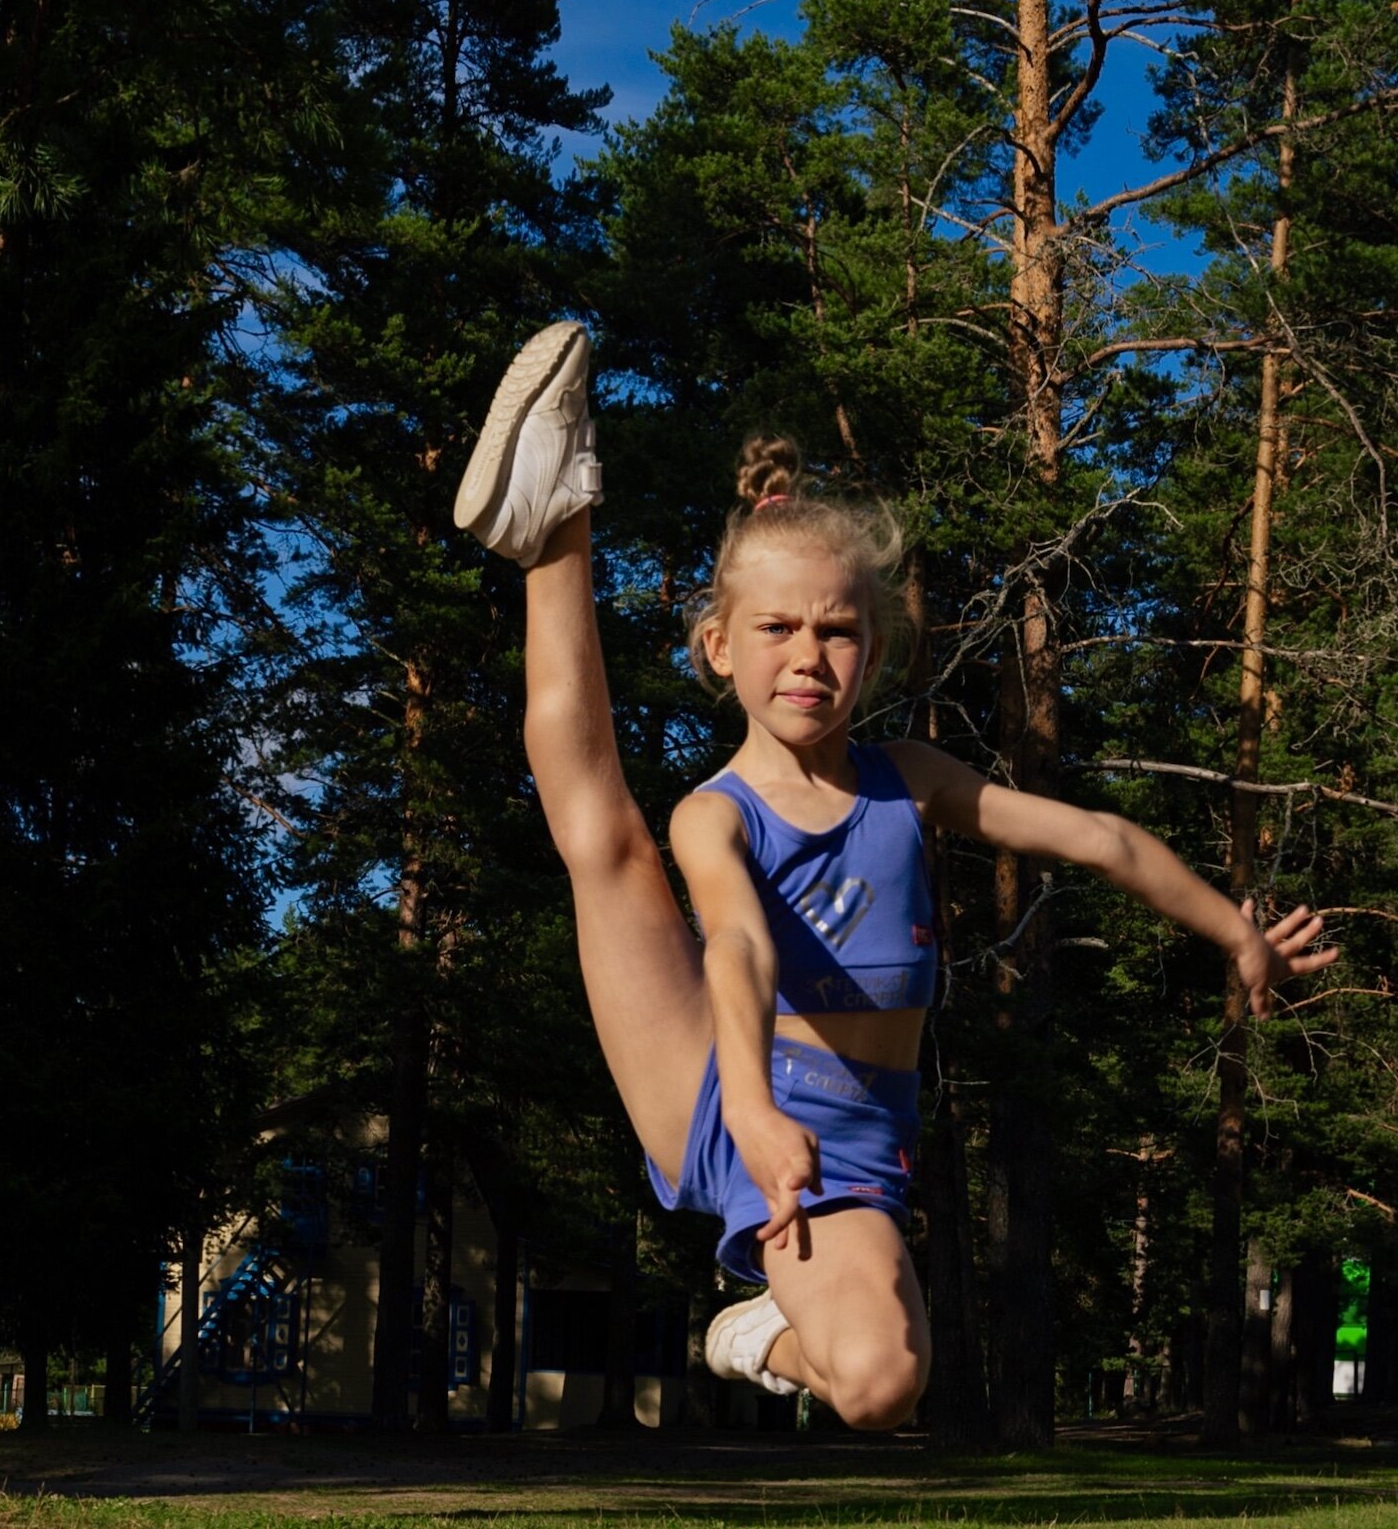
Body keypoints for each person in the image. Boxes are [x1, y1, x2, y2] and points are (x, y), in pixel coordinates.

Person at [454, 322, 1337, 1431]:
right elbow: (736, 946)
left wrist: (1234, 932)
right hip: (721, 1088)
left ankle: (759, 1335)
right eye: (774, 629)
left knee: (879, 1389)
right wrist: (761, 1115)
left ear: (872, 649)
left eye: (836, 631)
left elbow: (1101, 841)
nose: (806, 657)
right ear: (720, 647)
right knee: (603, 843)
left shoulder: (907, 780)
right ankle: (556, 518)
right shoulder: (712, 816)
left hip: (853, 1135)